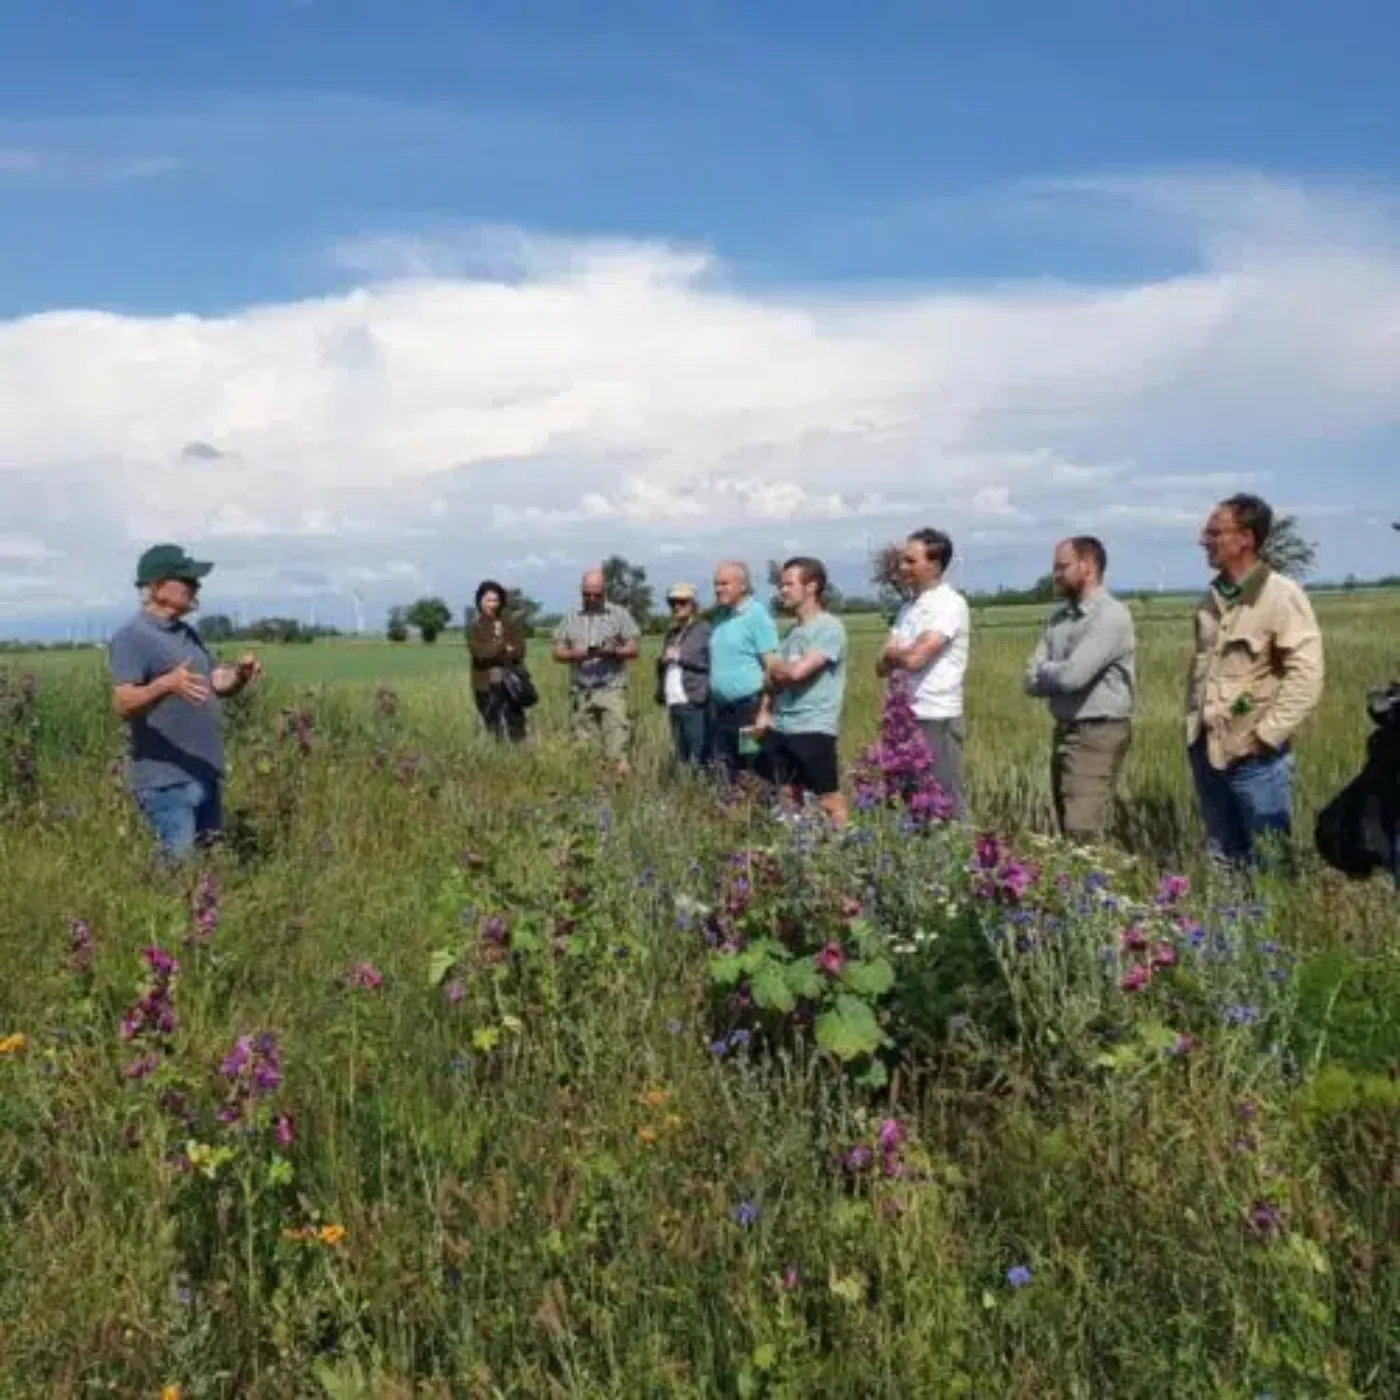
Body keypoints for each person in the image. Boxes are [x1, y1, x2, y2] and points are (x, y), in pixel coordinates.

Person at [1186, 493, 1324, 868]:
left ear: (1245, 538)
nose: (1204, 540)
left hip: (1256, 760)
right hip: (1208, 750)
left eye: (1215, 532)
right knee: (1225, 859)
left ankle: (1277, 928)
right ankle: (1231, 928)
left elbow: (1307, 675)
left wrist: (1265, 737)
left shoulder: (1281, 595)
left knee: (1270, 863)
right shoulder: (1211, 600)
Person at [107, 543, 263, 860]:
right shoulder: (132, 637)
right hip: (165, 781)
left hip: (203, 771)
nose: (197, 587)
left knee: (206, 865)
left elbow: (215, 682)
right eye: (188, 580)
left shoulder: (187, 634)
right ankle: (160, 910)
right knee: (177, 867)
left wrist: (240, 675)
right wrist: (165, 685)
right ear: (158, 586)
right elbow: (123, 703)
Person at [1023, 537, 1136, 843]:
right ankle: (1080, 887)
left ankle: (1092, 887)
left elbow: (1073, 677)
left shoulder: (1111, 616)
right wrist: (1055, 673)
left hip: (1097, 731)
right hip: (1065, 729)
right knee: (1068, 824)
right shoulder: (1058, 619)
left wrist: (1049, 670)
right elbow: (1029, 679)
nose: (1055, 574)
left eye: (1062, 567)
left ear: (1087, 567)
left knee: (1083, 828)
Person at [876, 528, 970, 819]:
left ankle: (963, 858)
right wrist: (898, 654)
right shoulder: (908, 607)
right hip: (903, 715)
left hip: (935, 715)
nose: (902, 568)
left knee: (943, 798)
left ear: (935, 564)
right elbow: (880, 664)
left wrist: (898, 654)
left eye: (910, 561)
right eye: (903, 561)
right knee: (909, 800)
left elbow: (916, 659)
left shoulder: (949, 604)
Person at [757, 556, 849, 827]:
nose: (782, 590)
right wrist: (777, 673)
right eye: (781, 585)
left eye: (788, 584)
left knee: (828, 797)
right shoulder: (793, 632)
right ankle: (798, 847)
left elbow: (797, 673)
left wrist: (777, 667)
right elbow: (771, 680)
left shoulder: (829, 628)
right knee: (787, 792)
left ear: (811, 587)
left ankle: (844, 845)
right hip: (783, 724)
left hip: (813, 726)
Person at [551, 567, 641, 775]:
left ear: (604, 592)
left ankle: (619, 793)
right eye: (587, 594)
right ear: (581, 591)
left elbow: (634, 648)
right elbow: (556, 652)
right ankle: (592, 794)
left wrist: (614, 652)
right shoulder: (571, 616)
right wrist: (574, 654)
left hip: (611, 689)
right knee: (584, 750)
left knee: (617, 747)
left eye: (597, 594)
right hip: (581, 692)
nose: (591, 598)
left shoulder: (619, 614)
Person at [708, 561, 779, 780]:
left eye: (725, 584)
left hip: (749, 710)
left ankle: (761, 812)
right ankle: (734, 812)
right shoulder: (721, 618)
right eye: (716, 584)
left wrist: (765, 710)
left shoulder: (756, 616)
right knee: (728, 770)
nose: (718, 589)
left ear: (743, 586)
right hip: (722, 711)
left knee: (754, 769)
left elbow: (772, 667)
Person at [655, 582, 712, 770]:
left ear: (692, 604)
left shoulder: (703, 629)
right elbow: (663, 662)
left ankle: (702, 791)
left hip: (693, 700)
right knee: (681, 754)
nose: (676, 607)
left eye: (682, 602)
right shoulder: (672, 633)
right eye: (672, 603)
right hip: (674, 701)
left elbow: (706, 661)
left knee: (698, 754)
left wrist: (677, 656)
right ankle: (686, 790)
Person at [466, 579, 528, 743]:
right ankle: (498, 760)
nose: (492, 604)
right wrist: (502, 645)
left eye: (496, 600)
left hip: (511, 683)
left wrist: (496, 651)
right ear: (479, 601)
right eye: (488, 600)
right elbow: (480, 654)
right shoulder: (475, 627)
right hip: (484, 685)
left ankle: (519, 759)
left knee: (516, 726)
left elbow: (520, 651)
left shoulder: (509, 624)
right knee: (493, 729)